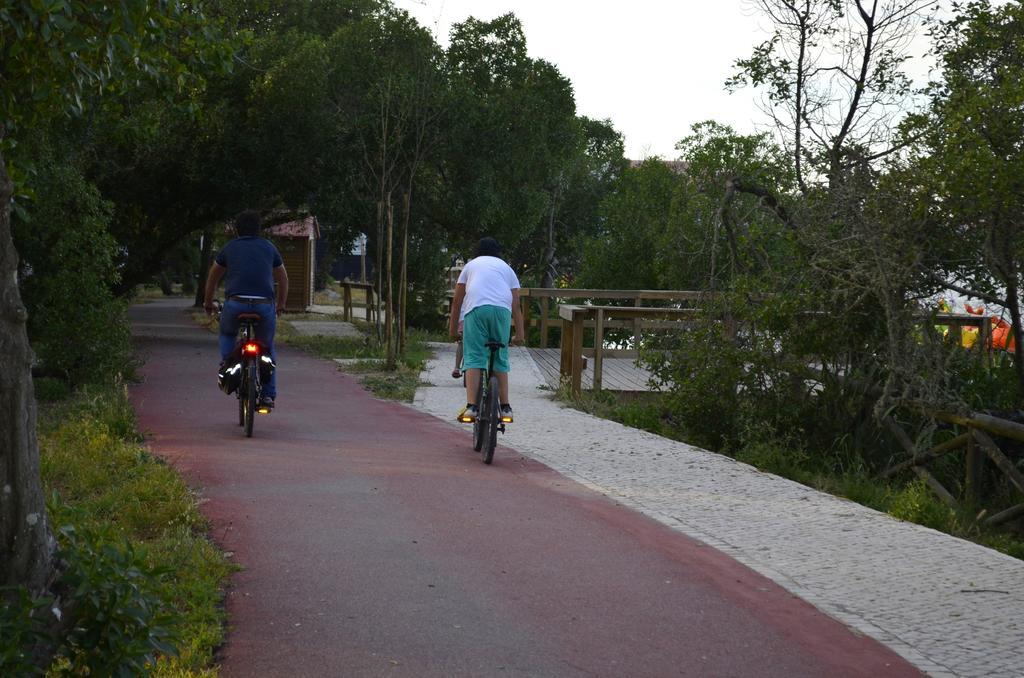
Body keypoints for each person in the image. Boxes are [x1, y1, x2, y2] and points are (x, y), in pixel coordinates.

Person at [204, 210, 288, 409]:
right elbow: (283, 278)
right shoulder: (269, 247)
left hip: (235, 303)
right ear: (259, 229)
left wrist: (209, 302)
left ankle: (227, 364)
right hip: (264, 305)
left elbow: (213, 277)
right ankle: (268, 395)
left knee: (227, 333)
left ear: (236, 230)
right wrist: (281, 304)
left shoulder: (229, 248)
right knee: (267, 347)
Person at [448, 237, 524, 421]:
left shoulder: (471, 265)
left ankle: (472, 407)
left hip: (477, 309)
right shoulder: (507, 268)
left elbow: (457, 301)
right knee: (500, 358)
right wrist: (520, 335)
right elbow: (516, 305)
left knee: (474, 357)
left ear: (477, 251)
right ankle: (505, 408)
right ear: (498, 252)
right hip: (501, 312)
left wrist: (452, 330)